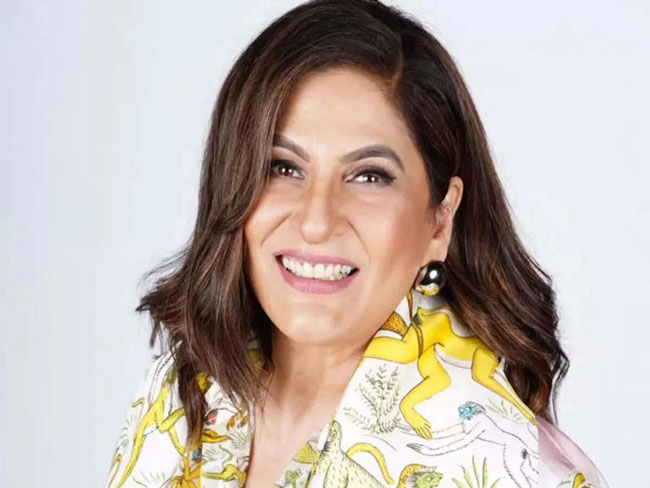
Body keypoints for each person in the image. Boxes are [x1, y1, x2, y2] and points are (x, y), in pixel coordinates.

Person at [104, 1, 609, 487]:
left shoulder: (510, 470)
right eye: (283, 167)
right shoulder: (179, 396)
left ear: (441, 218)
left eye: (369, 176)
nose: (316, 221)